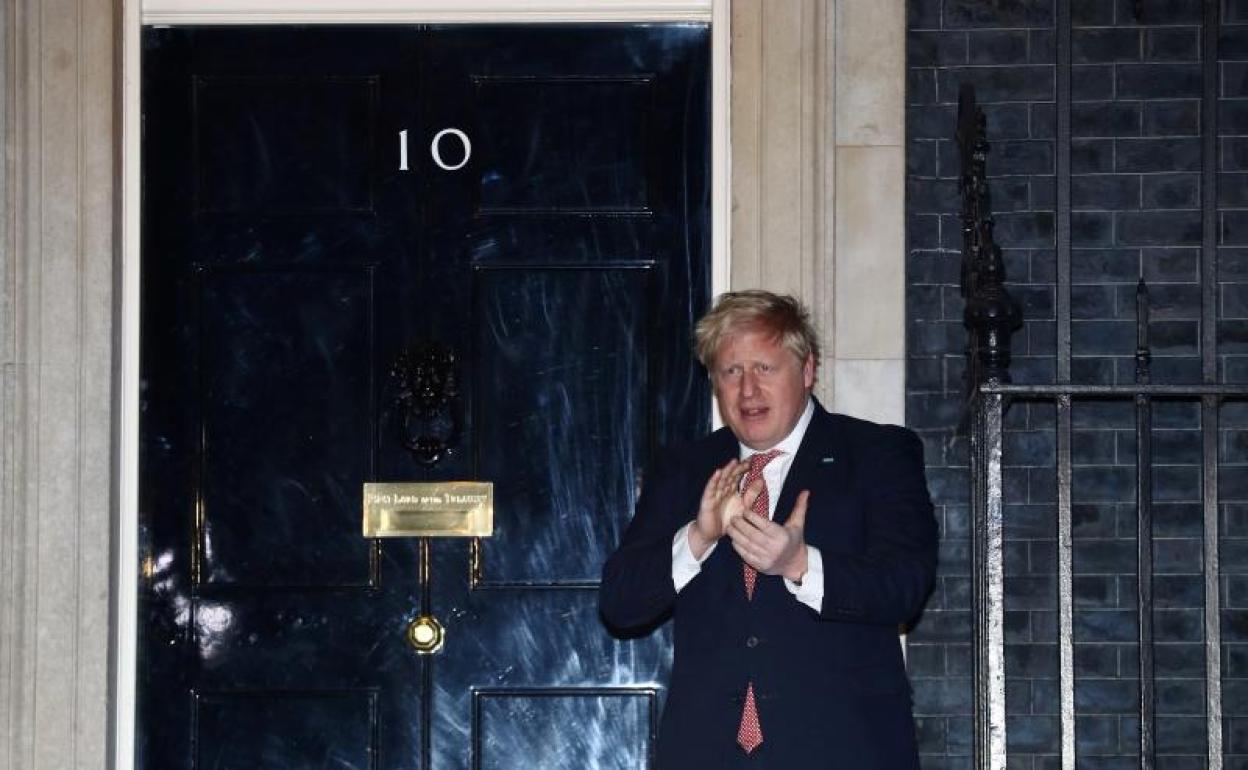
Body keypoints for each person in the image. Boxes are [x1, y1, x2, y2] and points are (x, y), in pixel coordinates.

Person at [600, 290, 938, 768]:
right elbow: (620, 603)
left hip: (842, 749)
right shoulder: (684, 468)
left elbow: (905, 586)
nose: (748, 390)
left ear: (807, 370)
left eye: (764, 368)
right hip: (706, 754)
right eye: (731, 371)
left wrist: (799, 564)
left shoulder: (877, 453)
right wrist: (698, 537)